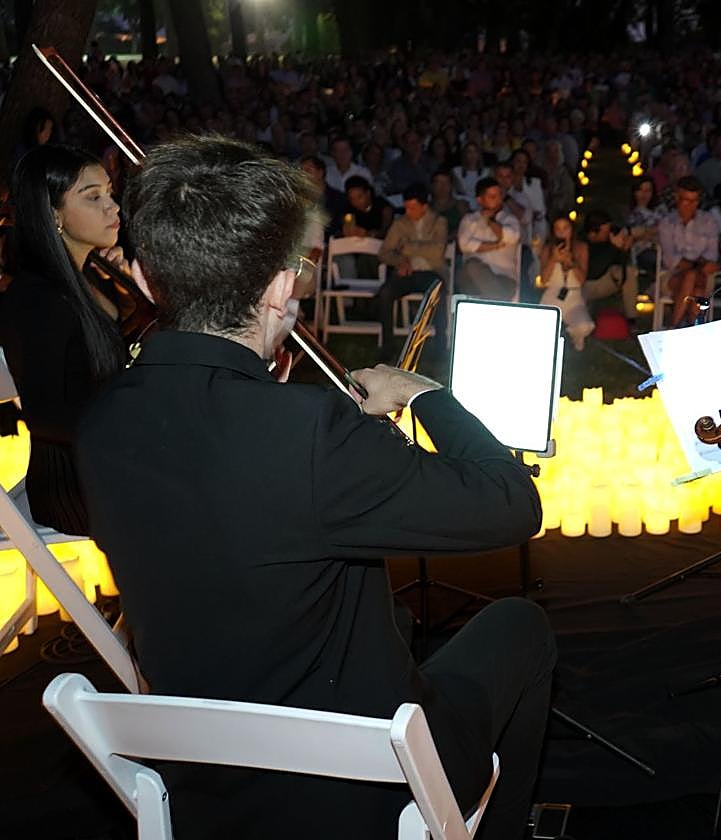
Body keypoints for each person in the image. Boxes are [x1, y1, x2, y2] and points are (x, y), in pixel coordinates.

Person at [75, 135, 556, 840]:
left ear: (148, 279)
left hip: (204, 783)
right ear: (277, 287)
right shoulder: (311, 430)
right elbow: (513, 501)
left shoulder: (102, 422)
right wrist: (425, 394)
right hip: (353, 793)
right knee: (522, 627)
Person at [0, 145, 128, 536]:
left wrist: (130, 299)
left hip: (103, 466)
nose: (114, 207)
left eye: (109, 192)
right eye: (93, 197)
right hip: (74, 484)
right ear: (53, 215)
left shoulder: (86, 282)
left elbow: (103, 361)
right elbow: (47, 414)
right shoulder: (38, 297)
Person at [376, 183, 448, 364]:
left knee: (438, 294)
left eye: (413, 207)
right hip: (407, 272)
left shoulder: (439, 222)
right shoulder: (400, 223)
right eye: (407, 207)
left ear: (424, 206)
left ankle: (441, 347)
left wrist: (406, 248)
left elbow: (437, 251)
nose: (409, 211)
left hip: (431, 272)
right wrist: (400, 260)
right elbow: (384, 252)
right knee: (385, 294)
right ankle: (388, 347)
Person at [658, 176, 719, 328]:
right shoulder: (667, 223)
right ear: (677, 198)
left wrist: (695, 267)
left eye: (694, 201)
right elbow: (670, 259)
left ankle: (675, 326)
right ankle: (691, 328)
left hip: (702, 276)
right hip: (673, 276)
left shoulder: (708, 221)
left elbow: (712, 255)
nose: (690, 206)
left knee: (695, 282)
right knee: (694, 284)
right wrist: (696, 266)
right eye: (686, 200)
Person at [457, 176, 521, 301]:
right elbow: (464, 245)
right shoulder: (469, 220)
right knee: (472, 266)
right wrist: (496, 246)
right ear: (480, 200)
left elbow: (511, 237)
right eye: (492, 197)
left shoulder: (510, 219)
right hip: (473, 278)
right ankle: (497, 301)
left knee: (499, 288)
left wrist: (490, 222)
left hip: (503, 277)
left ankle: (494, 299)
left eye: (499, 196)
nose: (498, 200)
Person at [538, 214, 594, 350]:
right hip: (552, 295)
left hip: (573, 297)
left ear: (572, 230)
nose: (562, 232)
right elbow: (544, 279)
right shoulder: (547, 248)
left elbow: (581, 280)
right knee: (541, 329)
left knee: (585, 326)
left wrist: (571, 263)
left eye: (565, 228)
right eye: (558, 229)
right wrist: (553, 259)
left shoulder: (581, 248)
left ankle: (572, 337)